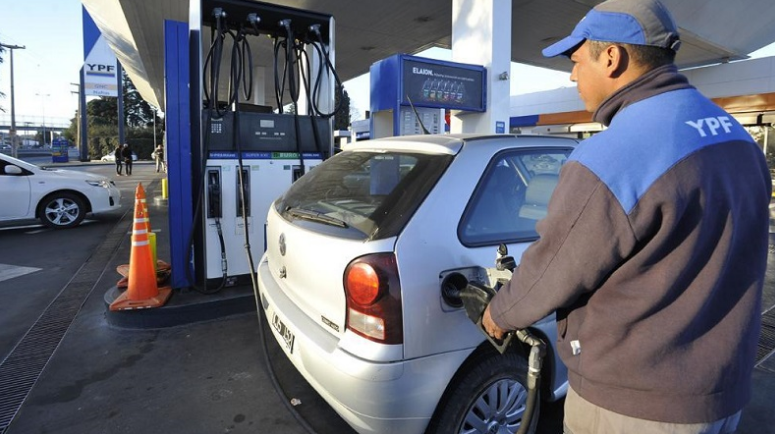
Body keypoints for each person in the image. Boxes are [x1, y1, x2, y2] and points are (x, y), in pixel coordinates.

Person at [481, 1, 771, 433]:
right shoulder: (736, 137)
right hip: (722, 392)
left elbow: (555, 266)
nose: (573, 76)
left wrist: (500, 314)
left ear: (612, 58)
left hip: (637, 404)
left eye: (576, 61)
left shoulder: (615, 154)